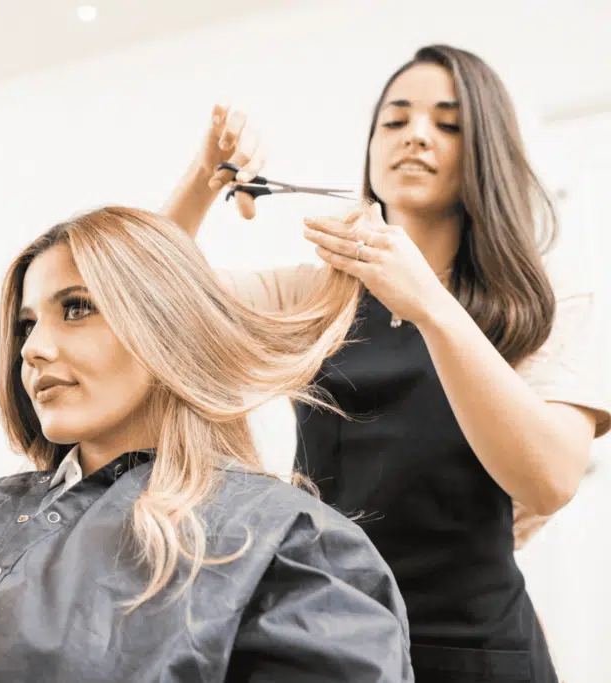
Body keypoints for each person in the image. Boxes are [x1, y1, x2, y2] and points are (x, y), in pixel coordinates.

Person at [0, 207, 413, 682]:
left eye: (76, 308)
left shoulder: (284, 543)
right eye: (27, 324)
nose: (33, 349)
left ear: (167, 323)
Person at [164, 44, 610, 682]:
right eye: (394, 121)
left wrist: (429, 303)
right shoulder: (318, 295)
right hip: (326, 639)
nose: (416, 137)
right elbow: (137, 296)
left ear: (489, 152)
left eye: (448, 124)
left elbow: (550, 481)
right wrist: (202, 180)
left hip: (480, 651)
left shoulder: (550, 297)